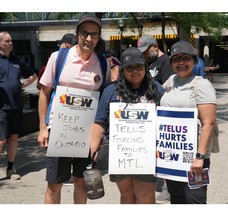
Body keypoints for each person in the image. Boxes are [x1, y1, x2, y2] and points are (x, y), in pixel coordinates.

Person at [37, 14, 111, 204]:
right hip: (59, 131)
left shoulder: (103, 64)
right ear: (77, 34)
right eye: (85, 33)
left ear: (99, 37)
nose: (89, 39)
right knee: (54, 184)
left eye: (94, 35)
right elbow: (44, 93)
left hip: (87, 134)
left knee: (81, 182)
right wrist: (43, 128)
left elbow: (105, 99)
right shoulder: (59, 57)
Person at [90, 47, 165, 204]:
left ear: (145, 67)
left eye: (138, 66)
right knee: (127, 194)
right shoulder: (111, 91)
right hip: (119, 153)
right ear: (122, 70)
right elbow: (100, 121)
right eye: (129, 68)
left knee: (145, 195)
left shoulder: (157, 89)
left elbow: (167, 121)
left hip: (147, 153)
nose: (134, 71)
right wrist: (93, 150)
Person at [160, 40, 217, 204]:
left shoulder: (201, 85)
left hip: (196, 158)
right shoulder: (171, 81)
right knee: (176, 199)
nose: (181, 63)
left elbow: (209, 123)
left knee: (195, 200)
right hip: (172, 156)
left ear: (194, 61)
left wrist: (199, 157)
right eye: (176, 59)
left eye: (185, 58)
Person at [137, 34, 174, 203]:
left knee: (164, 150)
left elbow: (168, 91)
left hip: (161, 113)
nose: (144, 55)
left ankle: (167, 187)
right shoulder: (151, 63)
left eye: (146, 51)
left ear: (155, 45)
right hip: (149, 114)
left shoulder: (166, 63)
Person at [0, 31, 37, 180]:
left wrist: (22, 85)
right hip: (1, 107)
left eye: (11, 41)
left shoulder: (17, 61)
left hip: (17, 106)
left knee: (14, 138)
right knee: (1, 140)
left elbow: (33, 75)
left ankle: (10, 168)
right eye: (7, 41)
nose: (10, 43)